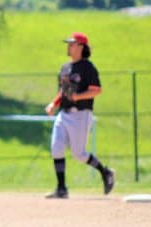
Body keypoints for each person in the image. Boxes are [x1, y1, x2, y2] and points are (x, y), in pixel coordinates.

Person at [44, 32, 114, 199]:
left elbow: (97, 90)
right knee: (56, 148)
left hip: (81, 115)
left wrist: (78, 97)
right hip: (64, 114)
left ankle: (105, 172)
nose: (69, 46)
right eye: (69, 43)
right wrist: (54, 103)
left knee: (79, 154)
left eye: (72, 43)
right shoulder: (65, 68)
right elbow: (63, 91)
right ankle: (61, 189)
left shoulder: (88, 67)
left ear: (82, 47)